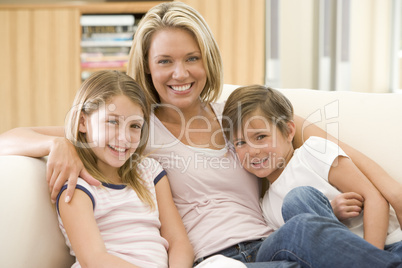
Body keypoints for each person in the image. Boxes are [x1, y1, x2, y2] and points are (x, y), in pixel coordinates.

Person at [1, 2, 402, 267]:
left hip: (273, 243)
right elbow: (10, 138)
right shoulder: (137, 129)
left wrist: (394, 192)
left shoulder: (238, 114)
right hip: (217, 259)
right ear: (147, 67)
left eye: (192, 58)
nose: (180, 73)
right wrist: (61, 143)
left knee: (304, 220)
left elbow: (327, 145)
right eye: (165, 61)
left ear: (207, 61)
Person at [221, 84, 402, 250]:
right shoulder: (267, 207)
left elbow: (375, 199)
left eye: (261, 137)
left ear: (289, 131)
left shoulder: (313, 152)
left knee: (298, 198)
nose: (252, 151)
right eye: (240, 142)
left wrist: (371, 257)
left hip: (389, 246)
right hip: (339, 259)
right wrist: (329, 212)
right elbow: (304, 246)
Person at [55, 70, 194, 267]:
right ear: (83, 122)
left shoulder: (149, 171)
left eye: (135, 126)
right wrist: (56, 144)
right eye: (113, 122)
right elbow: (95, 260)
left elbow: (179, 242)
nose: (124, 138)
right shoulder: (76, 186)